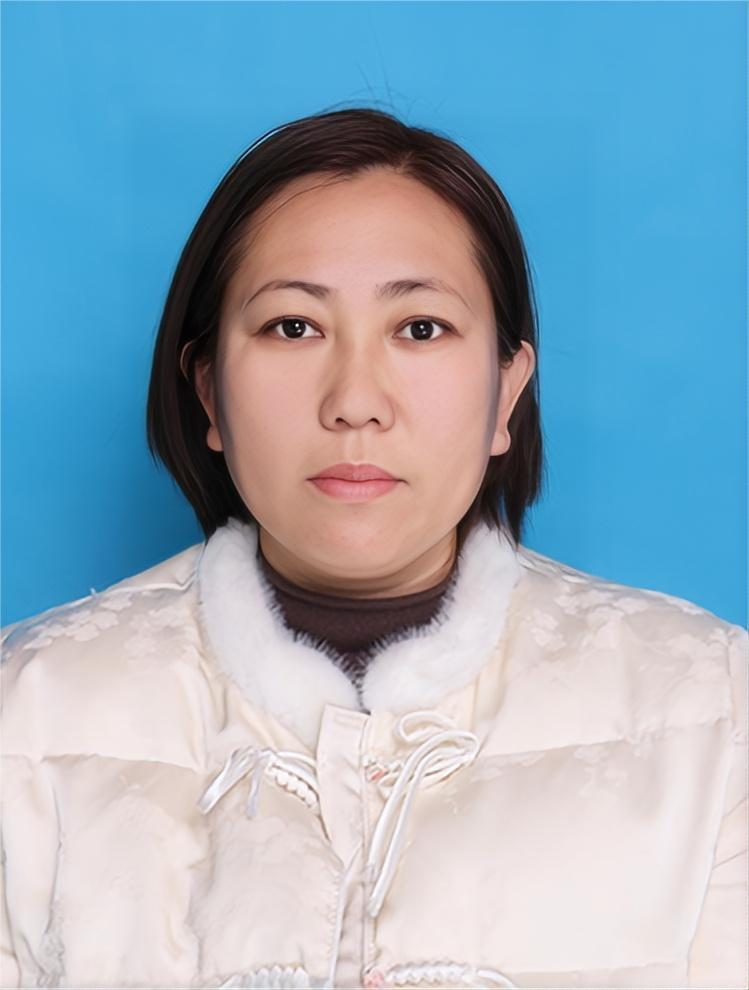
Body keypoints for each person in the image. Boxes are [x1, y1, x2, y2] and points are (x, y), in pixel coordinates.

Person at [1, 106, 746, 990]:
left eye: (420, 328)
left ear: (506, 390)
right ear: (208, 392)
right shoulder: (27, 709)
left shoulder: (712, 706)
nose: (355, 401)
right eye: (292, 327)